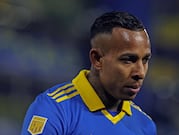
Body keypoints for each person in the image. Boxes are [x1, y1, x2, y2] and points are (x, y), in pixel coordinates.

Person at [21, 11, 157, 135]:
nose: (140, 72)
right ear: (97, 59)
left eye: (145, 60)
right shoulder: (54, 109)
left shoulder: (145, 125)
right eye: (128, 60)